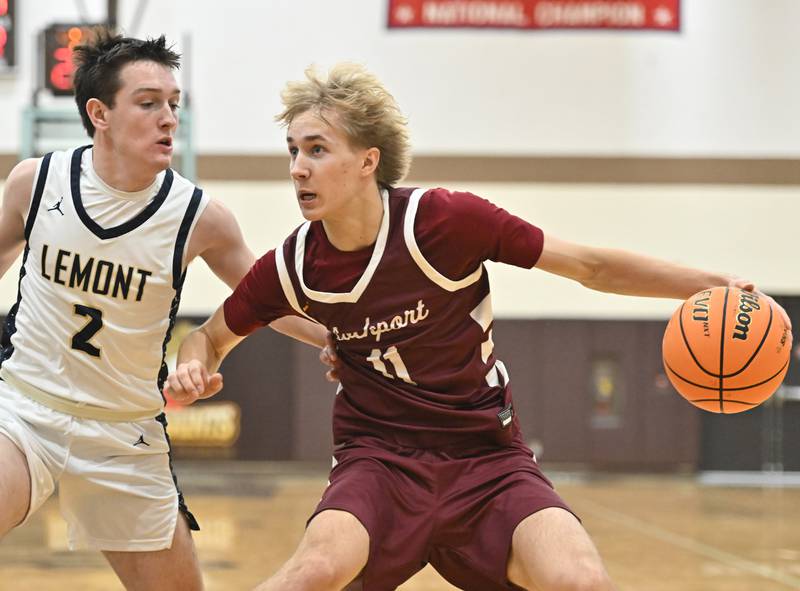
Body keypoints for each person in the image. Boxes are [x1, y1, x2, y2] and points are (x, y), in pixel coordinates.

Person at [164, 63, 777, 591]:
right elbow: (210, 335)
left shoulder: (446, 222)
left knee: (582, 579)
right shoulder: (294, 266)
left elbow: (590, 266)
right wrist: (194, 364)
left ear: (367, 162)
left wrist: (707, 284)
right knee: (313, 571)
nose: (298, 167)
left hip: (488, 458)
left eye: (317, 149)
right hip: (379, 462)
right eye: (293, 150)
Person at [0, 32, 324, 590]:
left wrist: (345, 340)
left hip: (125, 433)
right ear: (99, 113)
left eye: (174, 103)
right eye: (148, 103)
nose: (168, 117)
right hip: (25, 410)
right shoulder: (36, 181)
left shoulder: (201, 216)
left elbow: (265, 300)